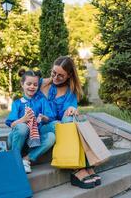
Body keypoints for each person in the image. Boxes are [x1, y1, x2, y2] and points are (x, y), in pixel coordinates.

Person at [38, 56, 101, 189]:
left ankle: (84, 165)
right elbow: (26, 88)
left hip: (61, 128)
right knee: (60, 125)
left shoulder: (70, 93)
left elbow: (69, 117)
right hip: (41, 126)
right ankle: (79, 168)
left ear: (69, 75)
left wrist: (73, 109)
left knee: (70, 119)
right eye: (53, 73)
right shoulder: (42, 83)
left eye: (60, 75)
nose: (55, 77)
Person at [6, 69, 55, 173]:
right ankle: (15, 158)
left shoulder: (41, 101)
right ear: (22, 84)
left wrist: (43, 117)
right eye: (29, 84)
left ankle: (26, 159)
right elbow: (12, 124)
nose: (32, 87)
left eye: (35, 84)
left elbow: (49, 118)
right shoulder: (17, 103)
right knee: (23, 127)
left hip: (34, 139)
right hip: (16, 140)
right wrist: (23, 119)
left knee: (51, 136)